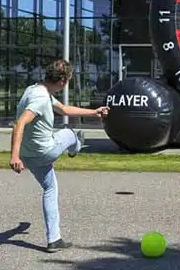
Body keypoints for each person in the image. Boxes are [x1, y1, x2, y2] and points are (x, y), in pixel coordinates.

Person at [9, 59, 109, 252]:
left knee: (50, 188)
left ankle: (54, 240)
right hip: (45, 151)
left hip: (30, 156)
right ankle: (75, 146)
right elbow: (19, 124)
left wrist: (94, 112)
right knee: (69, 133)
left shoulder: (34, 90)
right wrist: (14, 157)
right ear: (62, 81)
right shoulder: (40, 98)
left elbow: (63, 109)